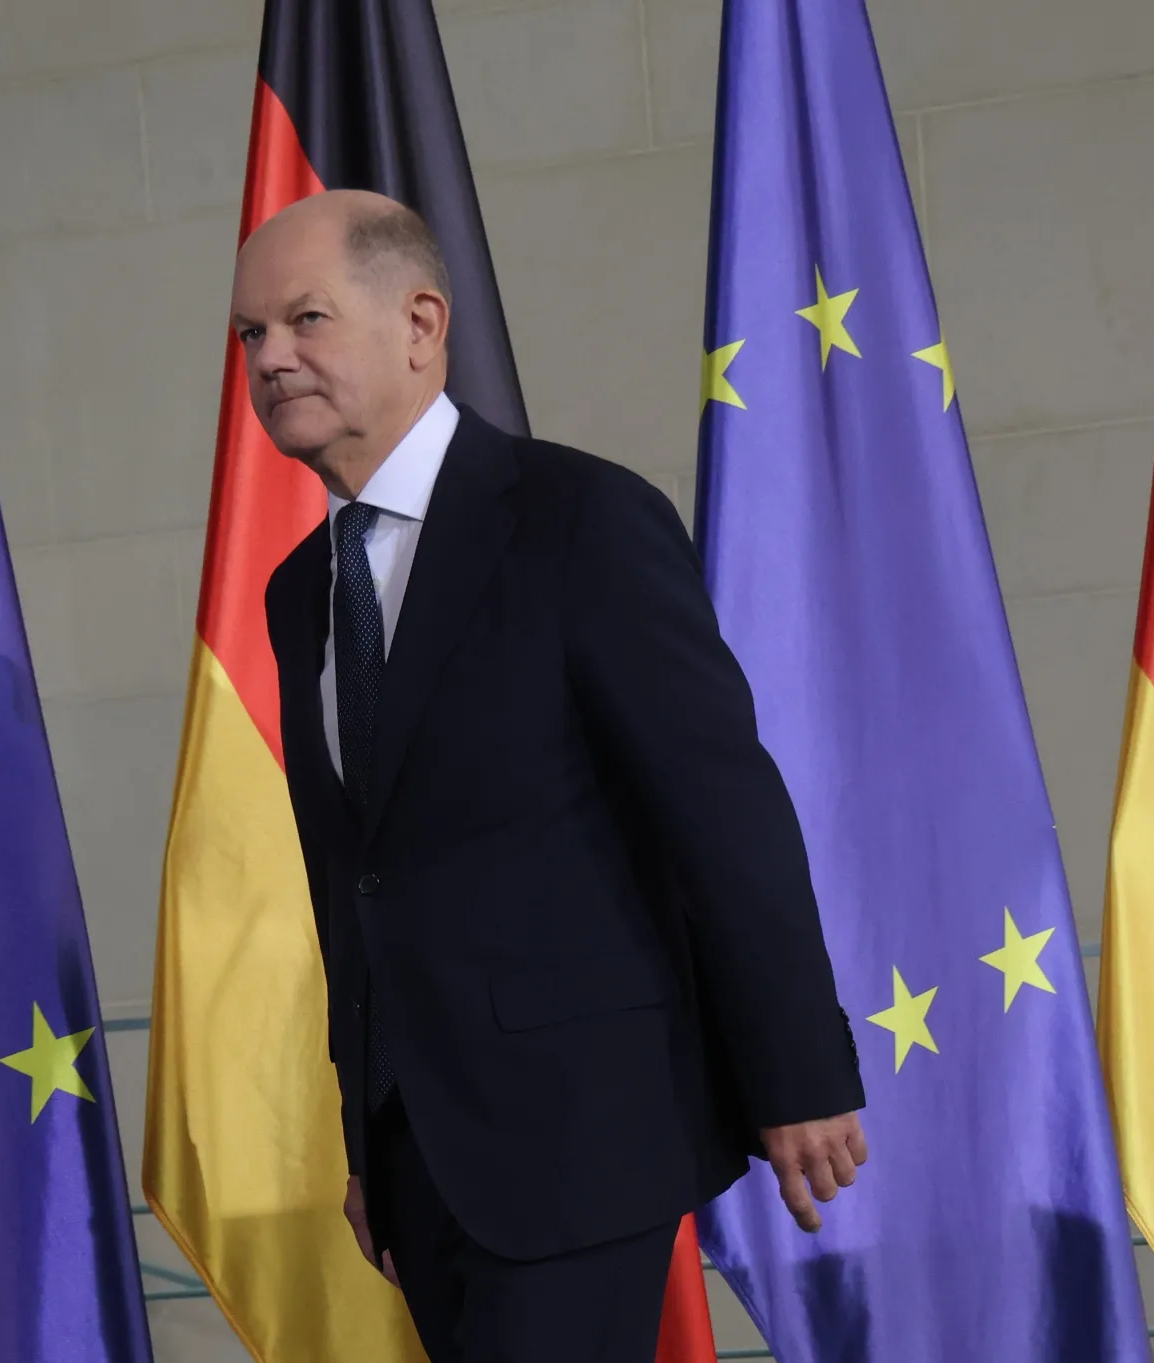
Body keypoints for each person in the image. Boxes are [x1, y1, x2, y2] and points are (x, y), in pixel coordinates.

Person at [237, 189, 869, 1363]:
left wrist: (797, 1072)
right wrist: (370, 1142)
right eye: (251, 334)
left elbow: (720, 810)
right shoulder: (298, 593)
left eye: (303, 319)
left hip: (582, 1134)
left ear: (420, 325)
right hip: (419, 1163)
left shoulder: (578, 519)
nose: (270, 358)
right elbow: (353, 884)